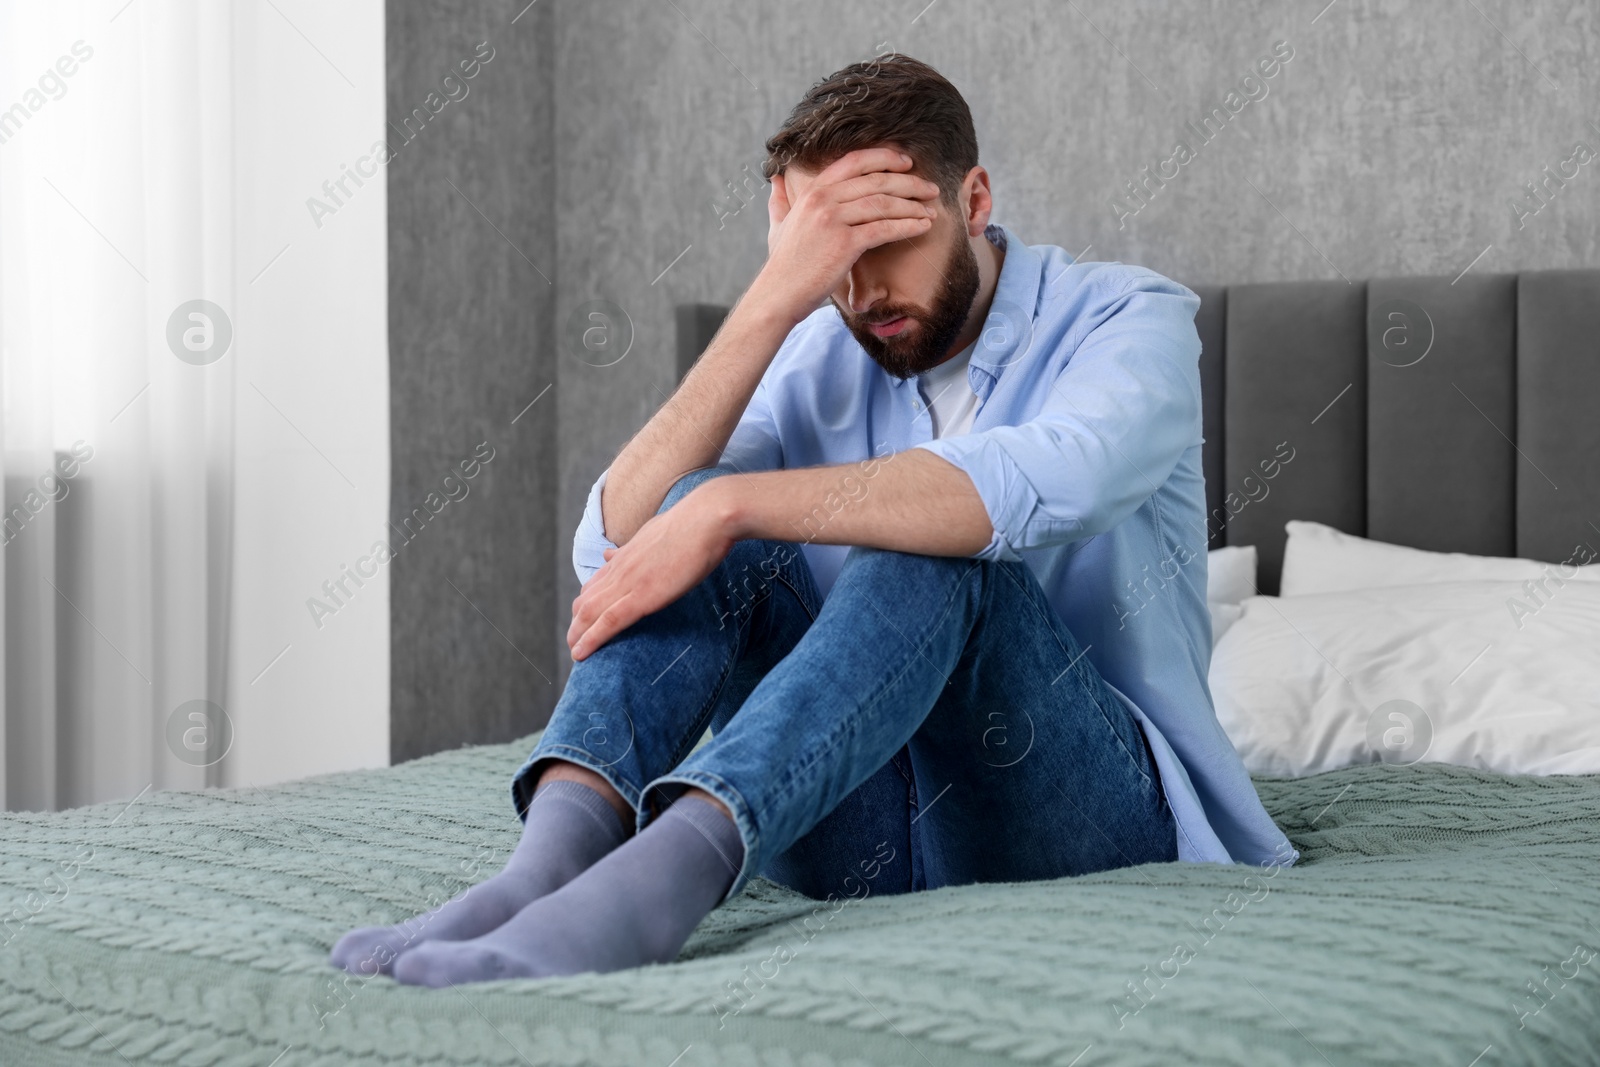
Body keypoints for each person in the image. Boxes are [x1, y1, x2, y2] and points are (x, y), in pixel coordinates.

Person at [331, 53, 1296, 988]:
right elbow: (622, 545)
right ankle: (548, 867)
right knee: (687, 511)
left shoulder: (1129, 318)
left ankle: (664, 877)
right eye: (832, 260)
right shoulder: (821, 344)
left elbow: (1046, 484)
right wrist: (769, 302)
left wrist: (734, 504)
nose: (861, 292)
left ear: (974, 201)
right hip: (854, 815)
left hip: (1071, 813)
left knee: (930, 543)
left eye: (884, 246)